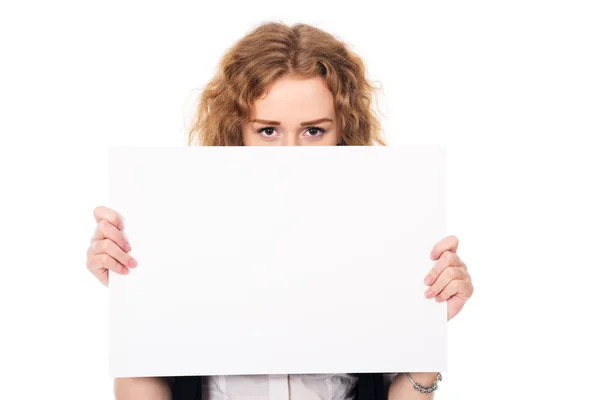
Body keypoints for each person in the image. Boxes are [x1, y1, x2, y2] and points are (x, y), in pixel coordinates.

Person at [86, 22, 474, 400]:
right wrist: (133, 300)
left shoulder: (383, 231)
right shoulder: (181, 225)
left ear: (343, 132)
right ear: (237, 130)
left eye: (314, 131)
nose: (290, 153)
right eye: (268, 131)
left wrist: (427, 327)